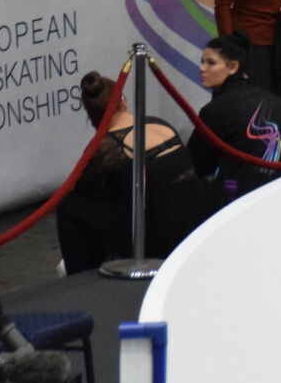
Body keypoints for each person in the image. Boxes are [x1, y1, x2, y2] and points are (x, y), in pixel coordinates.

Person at [55, 72, 209, 273]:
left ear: (91, 115)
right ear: (123, 101)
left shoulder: (104, 147)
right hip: (198, 222)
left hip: (158, 237)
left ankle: (81, 273)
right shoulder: (159, 124)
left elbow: (82, 189)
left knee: (69, 205)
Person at [187, 33, 281, 197]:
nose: (202, 68)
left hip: (236, 200)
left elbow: (195, 165)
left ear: (233, 67)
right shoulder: (280, 104)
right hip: (279, 193)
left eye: (211, 63)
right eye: (202, 62)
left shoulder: (215, 110)